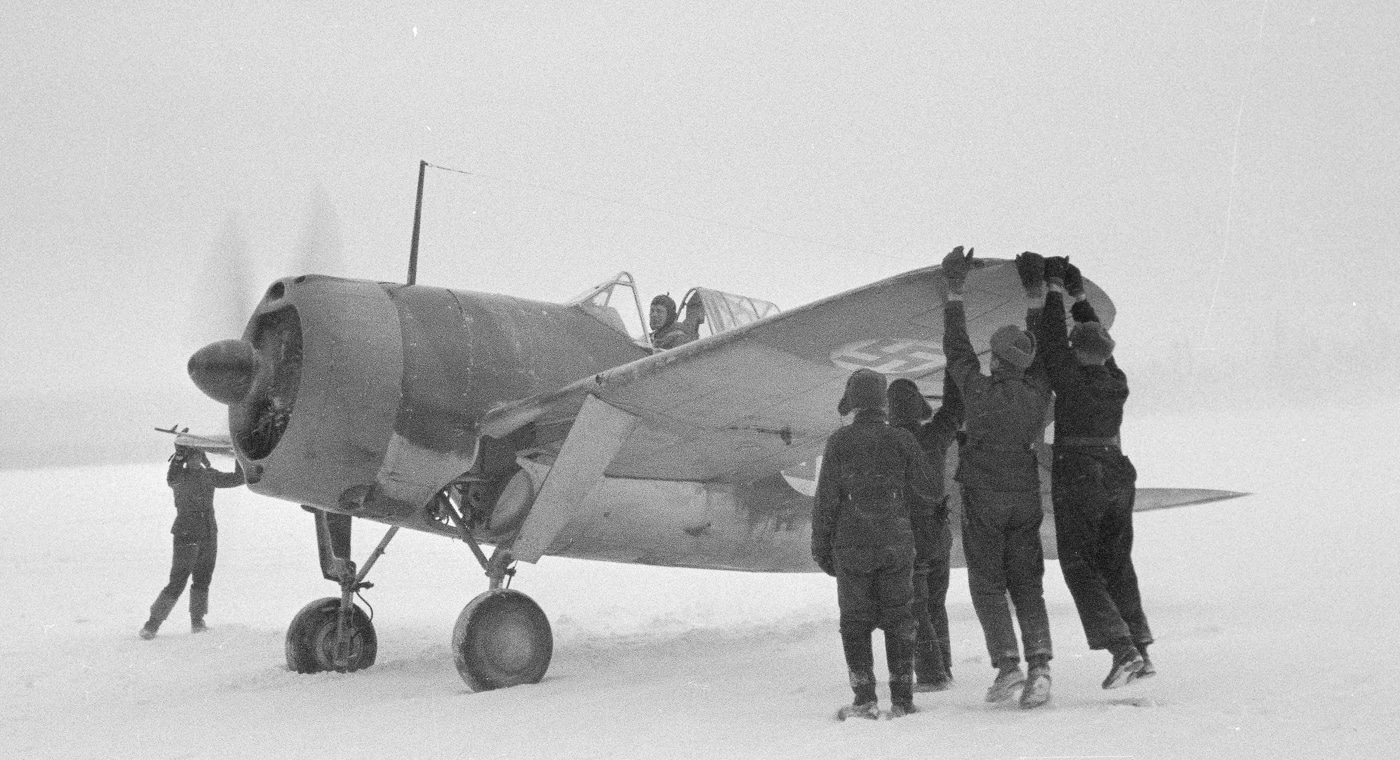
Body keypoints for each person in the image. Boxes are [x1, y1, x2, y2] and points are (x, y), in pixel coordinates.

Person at [940, 246, 1055, 709]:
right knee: (1027, 583)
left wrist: (954, 289)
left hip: (984, 496)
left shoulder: (978, 390)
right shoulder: (1038, 391)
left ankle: (1008, 667)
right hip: (1025, 494)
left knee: (987, 583)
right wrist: (1036, 294)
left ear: (996, 360)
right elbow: (1042, 347)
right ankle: (1041, 667)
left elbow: (957, 349)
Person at [1033, 255, 1154, 688]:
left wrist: (1050, 289)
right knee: (1117, 562)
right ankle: (1139, 647)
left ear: (1077, 352)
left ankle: (1122, 650)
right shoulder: (1115, 380)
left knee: (1078, 563)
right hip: (1118, 474)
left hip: (1080, 473)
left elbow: (1049, 342)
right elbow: (1094, 340)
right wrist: (1077, 295)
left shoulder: (1072, 381)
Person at [812, 368, 939, 720]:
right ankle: (903, 699)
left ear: (853, 402)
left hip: (851, 546)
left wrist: (822, 548)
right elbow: (926, 492)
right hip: (895, 544)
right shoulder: (902, 440)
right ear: (883, 402)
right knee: (900, 619)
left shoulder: (839, 442)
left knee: (854, 622)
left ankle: (865, 698)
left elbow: (826, 500)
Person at [886, 371, 963, 692]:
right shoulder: (935, 436)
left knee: (915, 605)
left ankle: (932, 675)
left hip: (907, 537)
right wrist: (952, 368)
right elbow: (956, 409)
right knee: (936, 603)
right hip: (938, 532)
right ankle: (944, 666)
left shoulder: (887, 442)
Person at [139, 445, 245, 639]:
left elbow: (238, 478)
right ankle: (151, 625)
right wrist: (178, 456)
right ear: (187, 460)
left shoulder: (209, 475)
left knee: (203, 579)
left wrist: (240, 454)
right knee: (177, 581)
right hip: (186, 533)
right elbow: (172, 477)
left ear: (201, 457)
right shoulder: (179, 476)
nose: (195, 460)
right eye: (191, 457)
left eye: (198, 456)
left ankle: (197, 622)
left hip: (208, 534)